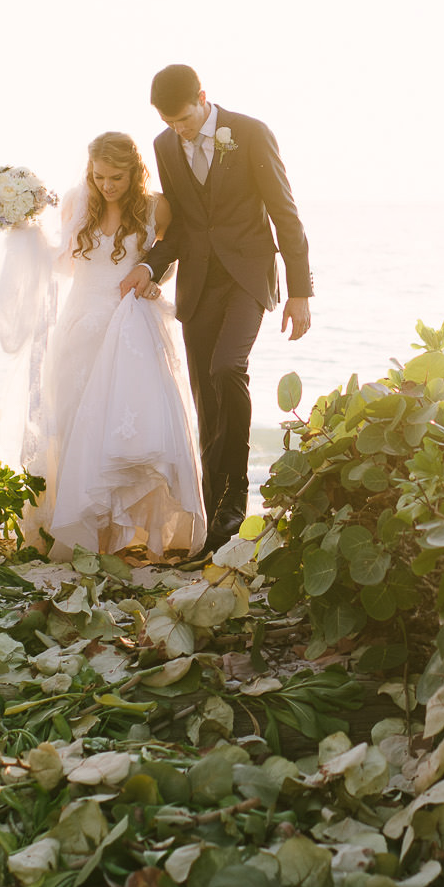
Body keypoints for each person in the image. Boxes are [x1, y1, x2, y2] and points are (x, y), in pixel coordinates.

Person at [118, 64, 312, 555]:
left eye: (184, 119)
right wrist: (151, 267)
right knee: (205, 393)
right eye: (170, 122)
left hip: (248, 275)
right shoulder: (164, 146)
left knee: (229, 368)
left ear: (203, 97)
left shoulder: (249, 134)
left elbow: (285, 213)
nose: (178, 130)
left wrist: (299, 291)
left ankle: (235, 501)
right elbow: (181, 225)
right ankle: (213, 516)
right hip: (199, 281)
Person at [0, 132, 205, 558]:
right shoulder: (79, 201)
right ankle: (85, 533)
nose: (107, 185)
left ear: (135, 172)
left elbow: (170, 252)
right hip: (79, 324)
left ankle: (126, 534)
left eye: (117, 178)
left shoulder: (155, 207)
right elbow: (64, 262)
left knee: (123, 428)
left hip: (128, 326)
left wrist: (151, 277)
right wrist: (26, 233)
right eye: (100, 176)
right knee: (73, 421)